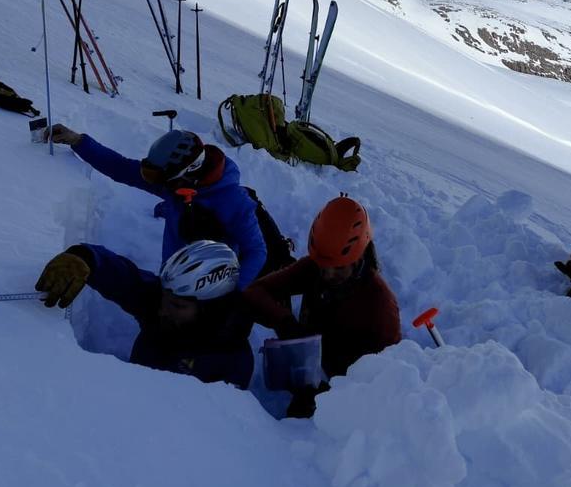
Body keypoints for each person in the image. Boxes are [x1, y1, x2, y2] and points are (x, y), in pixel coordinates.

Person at [46, 125, 267, 287]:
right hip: (172, 279)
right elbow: (121, 168)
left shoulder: (234, 202)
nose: (160, 185)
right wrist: (78, 141)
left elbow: (256, 251)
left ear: (189, 174)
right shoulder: (174, 183)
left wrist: (233, 294)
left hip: (210, 289)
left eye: (164, 180)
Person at [244, 195, 401, 417]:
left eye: (339, 268)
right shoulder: (314, 268)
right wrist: (285, 322)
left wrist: (336, 393)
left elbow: (391, 375)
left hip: (347, 392)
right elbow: (255, 291)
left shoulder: (380, 304)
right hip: (309, 369)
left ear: (359, 257)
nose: (328, 274)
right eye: (324, 266)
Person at [35, 239, 255, 388]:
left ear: (211, 309)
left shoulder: (232, 361)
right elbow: (123, 277)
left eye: (177, 306)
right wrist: (85, 258)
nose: (162, 309)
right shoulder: (161, 302)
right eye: (164, 298)